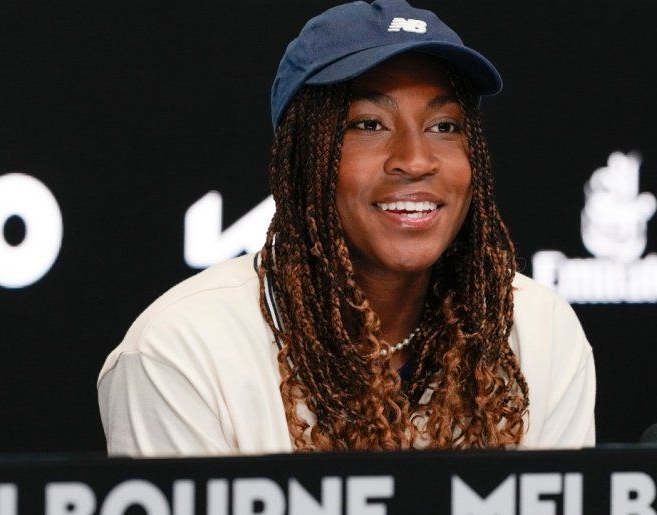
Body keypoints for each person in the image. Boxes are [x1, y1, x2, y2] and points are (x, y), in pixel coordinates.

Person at [97, 0, 596, 455]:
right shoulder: (182, 351)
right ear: (302, 160)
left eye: (444, 126)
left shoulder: (538, 328)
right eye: (368, 125)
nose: (416, 160)